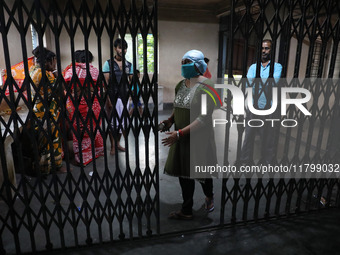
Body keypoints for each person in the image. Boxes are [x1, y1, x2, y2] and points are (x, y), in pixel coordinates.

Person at [161, 50, 217, 220]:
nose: (183, 65)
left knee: (201, 171)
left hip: (198, 137)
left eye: (187, 62)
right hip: (181, 137)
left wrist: (179, 133)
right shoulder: (180, 84)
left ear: (197, 65)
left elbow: (204, 118)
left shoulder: (208, 86)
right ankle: (186, 210)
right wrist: (169, 121)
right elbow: (177, 108)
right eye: (182, 62)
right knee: (184, 172)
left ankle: (209, 196)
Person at [239, 39, 282, 164]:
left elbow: (274, 82)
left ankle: (267, 161)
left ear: (271, 50)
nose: (264, 51)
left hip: (269, 107)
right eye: (262, 48)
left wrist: (259, 82)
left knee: (268, 136)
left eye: (267, 48)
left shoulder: (277, 66)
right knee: (249, 135)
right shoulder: (253, 67)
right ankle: (245, 160)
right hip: (253, 106)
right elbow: (249, 82)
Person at [63, 50, 104, 166]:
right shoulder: (95, 71)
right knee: (93, 127)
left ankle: (82, 158)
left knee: (79, 131)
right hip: (93, 104)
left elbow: (65, 89)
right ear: (90, 59)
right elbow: (100, 89)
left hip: (76, 105)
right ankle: (95, 152)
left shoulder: (70, 71)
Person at [30, 46, 64, 174]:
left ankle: (50, 166)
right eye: (54, 61)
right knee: (49, 141)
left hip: (39, 111)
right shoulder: (43, 74)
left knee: (47, 140)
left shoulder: (33, 70)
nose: (55, 63)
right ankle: (47, 169)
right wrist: (55, 71)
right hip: (46, 113)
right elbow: (60, 89)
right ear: (48, 61)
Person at [103, 38, 133, 155]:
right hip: (113, 96)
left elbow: (131, 82)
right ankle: (113, 146)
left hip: (124, 96)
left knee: (123, 122)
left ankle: (118, 143)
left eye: (124, 48)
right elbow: (105, 83)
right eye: (120, 47)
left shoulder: (128, 64)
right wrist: (108, 99)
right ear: (115, 48)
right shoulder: (108, 63)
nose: (122, 50)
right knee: (112, 123)